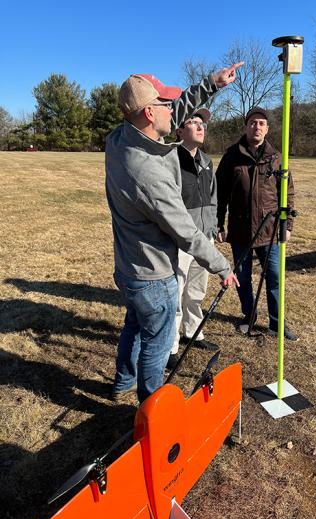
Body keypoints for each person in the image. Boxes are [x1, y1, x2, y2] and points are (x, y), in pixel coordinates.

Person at [106, 65, 242, 403]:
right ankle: (151, 408)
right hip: (153, 275)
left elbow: (171, 115)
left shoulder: (120, 138)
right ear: (150, 112)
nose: (175, 109)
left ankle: (123, 381)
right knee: (156, 342)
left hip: (128, 267)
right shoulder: (148, 173)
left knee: (134, 325)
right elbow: (186, 233)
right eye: (166, 103)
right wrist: (222, 266)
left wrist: (212, 85)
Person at [216, 107, 298, 340]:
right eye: (253, 122)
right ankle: (248, 317)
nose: (257, 127)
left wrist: (287, 225)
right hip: (241, 230)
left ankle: (276, 323)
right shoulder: (232, 156)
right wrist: (219, 224)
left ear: (267, 129)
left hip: (269, 231)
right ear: (246, 126)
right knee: (243, 279)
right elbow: (220, 194)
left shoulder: (277, 157)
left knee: (274, 277)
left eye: (262, 123)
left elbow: (287, 194)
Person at [167, 108, 219, 370]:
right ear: (179, 131)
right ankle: (170, 346)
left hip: (204, 237)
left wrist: (214, 227)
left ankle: (193, 332)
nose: (200, 127)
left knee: (197, 291)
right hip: (181, 240)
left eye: (203, 124)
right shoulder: (170, 160)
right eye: (193, 122)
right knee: (176, 292)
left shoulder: (207, 162)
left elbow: (213, 198)